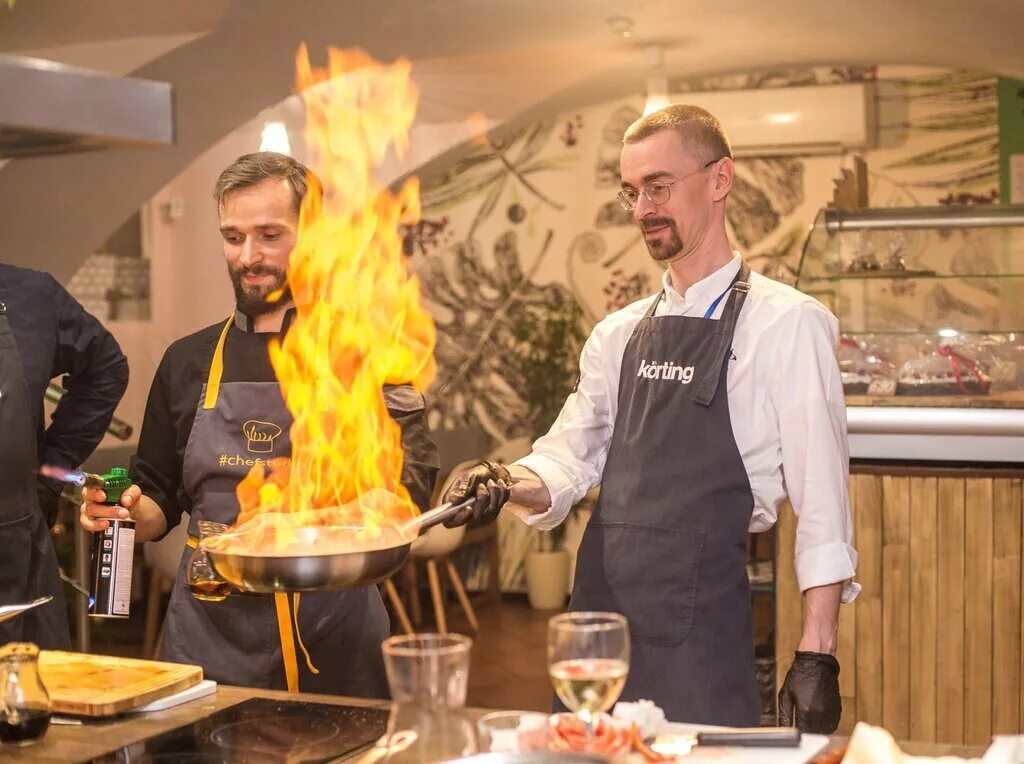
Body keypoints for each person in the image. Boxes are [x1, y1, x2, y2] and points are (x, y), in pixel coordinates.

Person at [442, 105, 858, 733]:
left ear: (720, 180)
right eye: (631, 193)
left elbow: (822, 504)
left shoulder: (789, 324)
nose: (642, 210)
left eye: (659, 187)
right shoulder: (617, 335)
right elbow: (567, 458)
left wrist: (817, 652)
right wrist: (503, 483)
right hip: (596, 641)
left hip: (701, 642)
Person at [80, 152, 439, 697]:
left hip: (333, 629)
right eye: (233, 236)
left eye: (270, 234)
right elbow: (157, 497)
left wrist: (346, 517)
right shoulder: (187, 361)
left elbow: (412, 482)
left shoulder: (366, 353)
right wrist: (125, 512)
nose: (248, 256)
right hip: (210, 636)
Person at [0, 264, 129, 648]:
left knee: (32, 698)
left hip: (14, 569)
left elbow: (105, 367)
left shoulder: (30, 294)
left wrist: (49, 472)